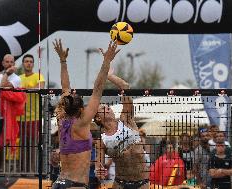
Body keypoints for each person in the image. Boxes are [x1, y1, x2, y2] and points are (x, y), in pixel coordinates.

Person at [51, 39, 120, 189]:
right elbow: (98, 89)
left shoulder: (61, 117)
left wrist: (63, 61)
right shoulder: (82, 122)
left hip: (60, 182)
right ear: (81, 109)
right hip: (75, 185)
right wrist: (107, 61)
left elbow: (65, 87)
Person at [94, 70, 149, 189]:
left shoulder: (126, 119)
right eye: (103, 108)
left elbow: (125, 86)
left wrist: (109, 76)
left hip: (142, 182)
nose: (108, 108)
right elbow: (99, 165)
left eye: (108, 107)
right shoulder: (101, 140)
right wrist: (99, 171)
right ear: (98, 117)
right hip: (120, 183)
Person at [17, 54, 45, 172]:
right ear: (23, 64)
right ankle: (23, 171)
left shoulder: (38, 76)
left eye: (30, 61)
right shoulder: (19, 78)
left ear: (33, 64)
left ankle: (32, 172)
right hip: (20, 117)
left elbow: (40, 87)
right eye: (26, 61)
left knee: (33, 146)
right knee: (22, 146)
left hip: (34, 117)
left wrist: (24, 89)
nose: (28, 63)